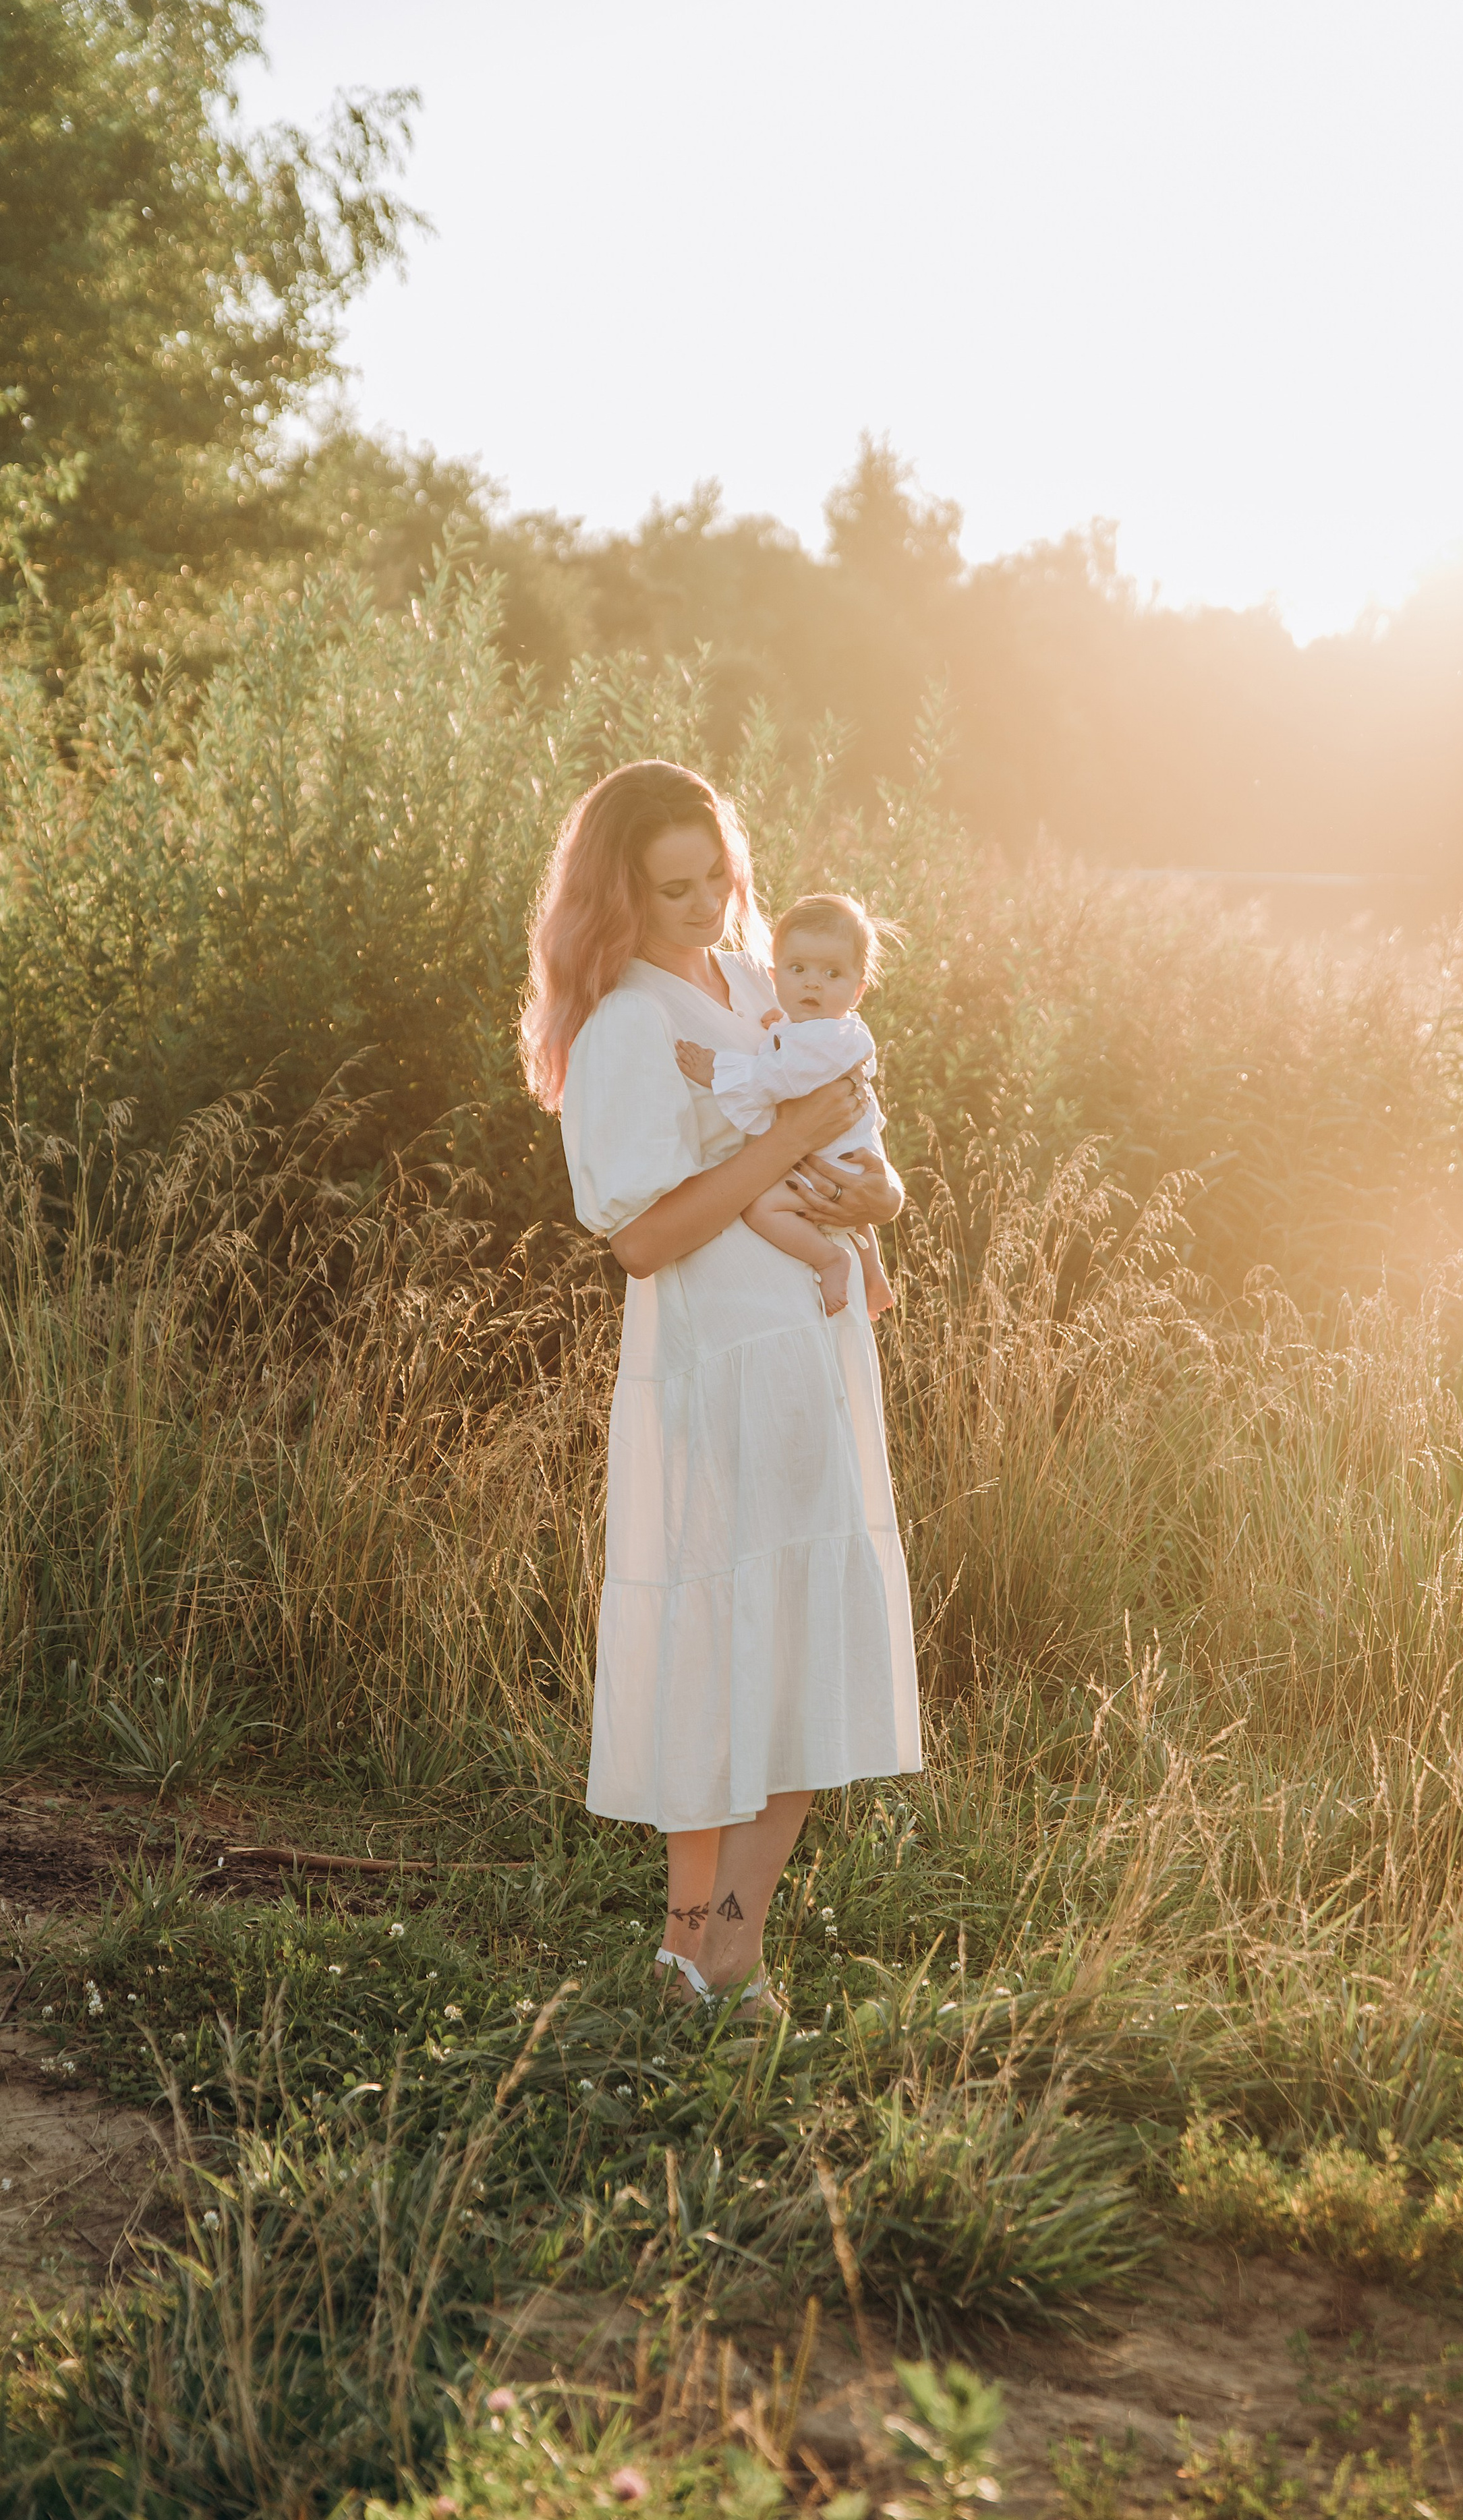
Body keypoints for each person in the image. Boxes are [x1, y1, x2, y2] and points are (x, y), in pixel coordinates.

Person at [519, 759, 923, 2014]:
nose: (705, 907)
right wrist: (791, 1147)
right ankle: (715, 1944)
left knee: (774, 1647)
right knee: (734, 1654)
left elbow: (855, 1131)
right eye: (673, 889)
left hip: (806, 1341)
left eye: (720, 880)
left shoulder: (754, 982)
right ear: (619, 896)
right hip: (717, 1360)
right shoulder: (627, 1024)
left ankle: (701, 1950)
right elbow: (640, 1241)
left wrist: (880, 1200)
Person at [674, 890, 898, 1321]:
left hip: (833, 1158)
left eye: (833, 974)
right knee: (854, 1206)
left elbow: (779, 1076)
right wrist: (783, 1024)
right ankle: (874, 1274)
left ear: (858, 990)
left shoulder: (830, 1041)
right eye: (799, 970)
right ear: (775, 978)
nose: (813, 982)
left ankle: (830, 1259)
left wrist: (718, 1069)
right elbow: (800, 1047)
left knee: (762, 1208)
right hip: (845, 1155)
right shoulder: (827, 1029)